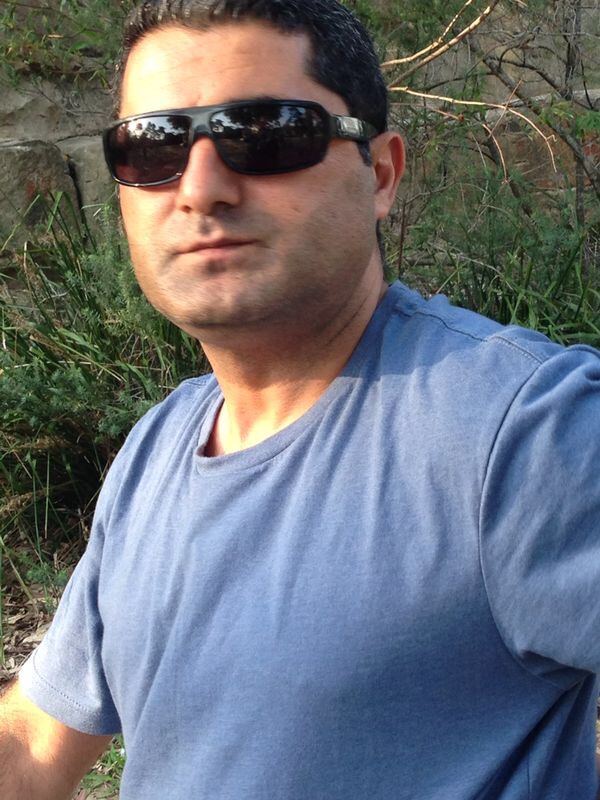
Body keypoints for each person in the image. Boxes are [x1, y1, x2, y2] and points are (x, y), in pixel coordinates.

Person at [1, 0, 599, 797]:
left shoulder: (524, 430)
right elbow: (34, 742)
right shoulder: (158, 447)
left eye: (267, 135)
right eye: (154, 146)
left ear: (380, 174)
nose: (201, 188)